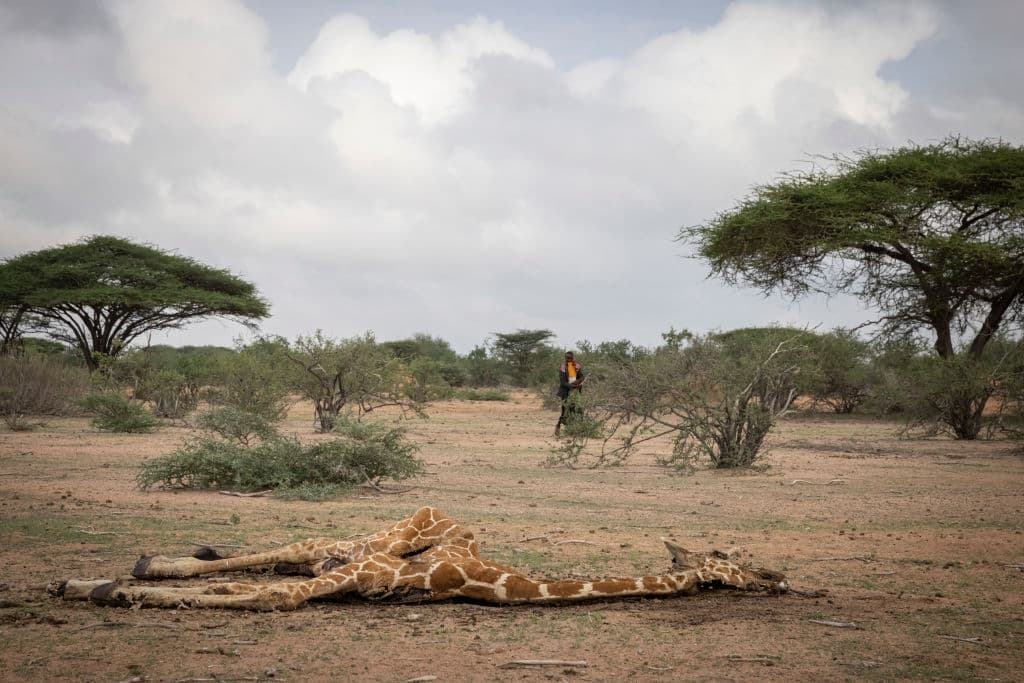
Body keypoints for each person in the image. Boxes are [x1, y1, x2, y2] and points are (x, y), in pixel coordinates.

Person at [555, 351, 584, 436]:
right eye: (567, 358)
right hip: (565, 392)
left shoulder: (576, 366)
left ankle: (575, 429)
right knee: (565, 411)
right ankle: (558, 426)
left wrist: (578, 382)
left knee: (577, 410)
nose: (569, 360)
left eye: (570, 358)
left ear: (573, 358)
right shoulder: (563, 368)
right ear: (565, 358)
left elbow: (582, 376)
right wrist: (573, 386)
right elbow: (563, 382)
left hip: (575, 392)